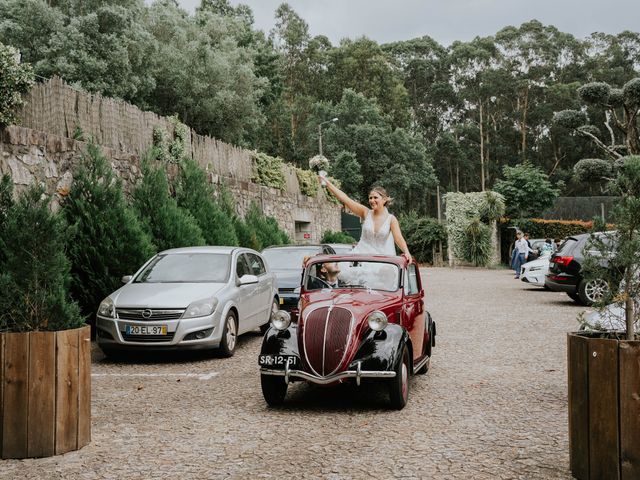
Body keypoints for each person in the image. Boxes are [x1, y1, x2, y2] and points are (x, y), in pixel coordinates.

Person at [320, 177, 412, 260]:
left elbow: (398, 238)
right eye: (370, 198)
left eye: (375, 197)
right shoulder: (365, 212)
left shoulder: (391, 219)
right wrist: (327, 183)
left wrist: (406, 252)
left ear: (384, 200)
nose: (372, 201)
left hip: (381, 260)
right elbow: (345, 199)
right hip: (361, 257)